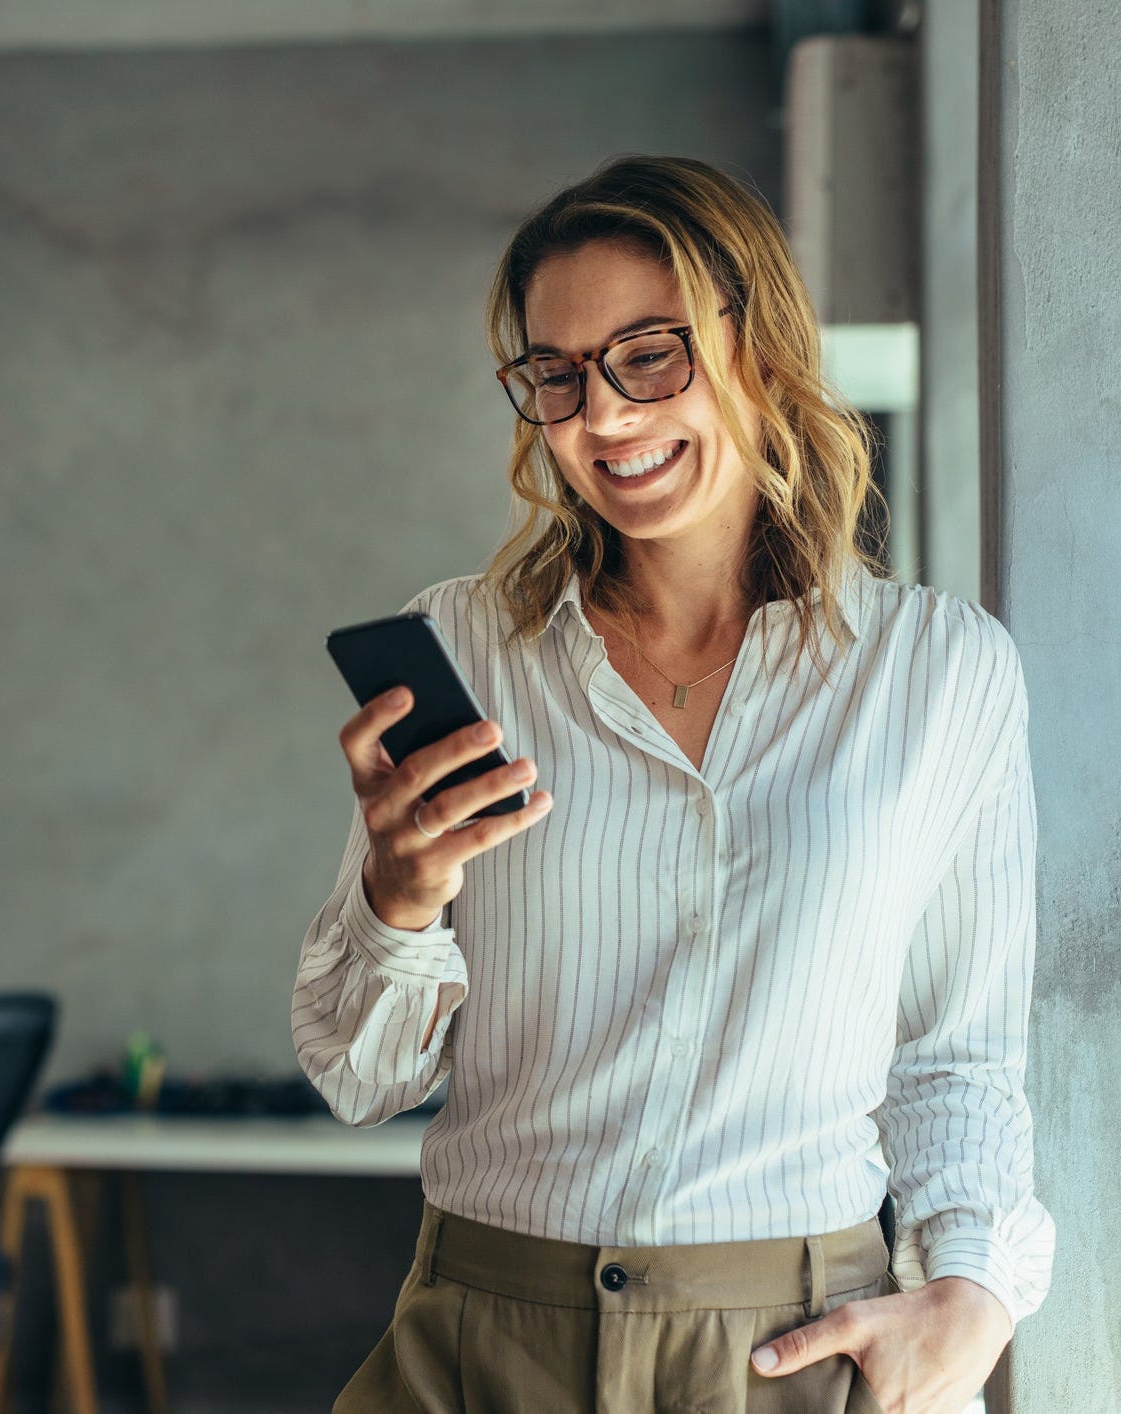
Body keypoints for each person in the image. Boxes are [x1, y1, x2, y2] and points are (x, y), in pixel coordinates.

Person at [292, 155, 1053, 1413]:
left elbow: (957, 1057)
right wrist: (398, 897)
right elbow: (358, 1077)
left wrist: (970, 1299)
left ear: (760, 347)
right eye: (557, 374)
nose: (601, 418)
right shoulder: (469, 650)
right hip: (483, 1337)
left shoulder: (939, 671)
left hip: (788, 1351)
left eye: (651, 354)